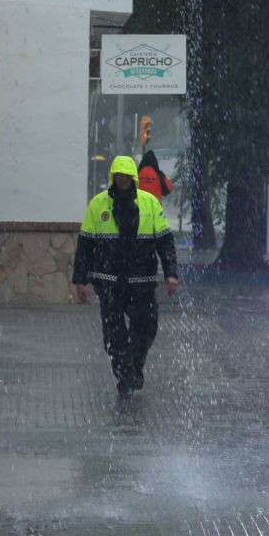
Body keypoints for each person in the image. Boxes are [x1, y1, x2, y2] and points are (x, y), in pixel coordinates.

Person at [73, 155, 180, 397]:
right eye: (118, 175)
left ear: (133, 178)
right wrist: (81, 280)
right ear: (113, 177)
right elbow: (85, 245)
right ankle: (124, 374)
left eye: (126, 176)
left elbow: (165, 242)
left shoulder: (150, 204)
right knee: (114, 334)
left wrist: (171, 273)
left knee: (147, 328)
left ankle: (134, 366)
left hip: (141, 283)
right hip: (109, 283)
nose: (122, 180)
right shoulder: (98, 205)